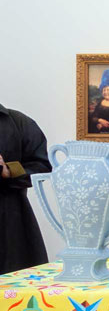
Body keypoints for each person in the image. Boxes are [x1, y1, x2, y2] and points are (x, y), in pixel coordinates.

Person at [0, 103, 50, 275]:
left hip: (10, 222)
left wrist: (8, 170)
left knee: (14, 293)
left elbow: (42, 167)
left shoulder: (18, 122)